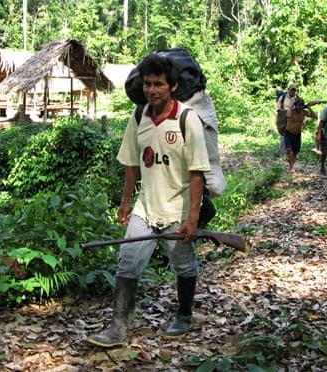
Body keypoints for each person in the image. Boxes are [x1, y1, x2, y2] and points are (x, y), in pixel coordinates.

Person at [87, 54, 211, 347]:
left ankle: (183, 314)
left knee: (183, 266)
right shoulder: (138, 117)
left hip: (177, 210)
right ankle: (118, 327)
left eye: (158, 84)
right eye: (147, 84)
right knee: (127, 264)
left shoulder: (187, 119)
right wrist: (126, 201)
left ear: (172, 86)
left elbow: (197, 174)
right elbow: (131, 163)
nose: (152, 90)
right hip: (145, 208)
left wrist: (192, 218)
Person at [284, 97, 317, 173]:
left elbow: (314, 116)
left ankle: (291, 167)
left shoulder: (303, 112)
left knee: (295, 152)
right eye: (299, 105)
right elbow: (288, 115)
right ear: (296, 105)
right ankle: (290, 165)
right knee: (289, 149)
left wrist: (309, 108)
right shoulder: (291, 111)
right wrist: (292, 106)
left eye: (302, 105)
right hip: (288, 133)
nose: (300, 107)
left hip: (297, 134)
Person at [276, 84, 299, 157]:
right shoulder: (282, 97)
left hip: (292, 119)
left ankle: (290, 154)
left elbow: (300, 110)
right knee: (282, 136)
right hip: (282, 118)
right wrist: (277, 119)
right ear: (288, 90)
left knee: (291, 136)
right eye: (291, 90)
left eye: (294, 90)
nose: (292, 91)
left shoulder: (297, 99)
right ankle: (281, 154)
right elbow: (278, 108)